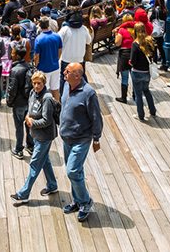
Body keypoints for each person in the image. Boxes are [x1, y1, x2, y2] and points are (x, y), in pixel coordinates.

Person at [59, 63, 103, 222]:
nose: (64, 72)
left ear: (77, 76)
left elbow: (96, 117)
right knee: (76, 171)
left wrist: (96, 137)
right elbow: (64, 106)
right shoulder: (65, 85)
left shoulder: (88, 93)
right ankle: (77, 201)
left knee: (72, 170)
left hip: (81, 139)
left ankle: (85, 202)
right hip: (66, 137)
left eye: (68, 71)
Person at [10, 71, 58, 204]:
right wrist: (27, 116)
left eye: (39, 83)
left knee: (35, 164)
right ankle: (52, 185)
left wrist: (32, 123)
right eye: (34, 83)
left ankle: (23, 194)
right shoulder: (32, 93)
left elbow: (47, 121)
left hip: (45, 136)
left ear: (44, 83)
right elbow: (30, 108)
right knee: (45, 160)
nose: (36, 86)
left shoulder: (47, 98)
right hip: (36, 134)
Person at [6, 45, 34, 159]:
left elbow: (12, 89)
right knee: (29, 125)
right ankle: (30, 146)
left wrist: (9, 101)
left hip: (19, 103)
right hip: (29, 101)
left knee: (19, 127)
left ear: (17, 55)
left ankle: (18, 149)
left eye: (12, 53)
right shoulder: (30, 67)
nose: (11, 55)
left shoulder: (15, 70)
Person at [128, 22, 158, 120]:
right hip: (146, 72)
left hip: (137, 72)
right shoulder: (149, 41)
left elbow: (133, 61)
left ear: (135, 31)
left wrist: (130, 62)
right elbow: (154, 55)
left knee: (138, 95)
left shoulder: (135, 44)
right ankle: (152, 111)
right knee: (146, 90)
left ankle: (140, 115)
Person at [58, 11, 92, 95]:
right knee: (81, 77)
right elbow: (89, 41)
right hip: (79, 60)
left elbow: (57, 40)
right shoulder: (84, 29)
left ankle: (62, 96)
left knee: (64, 78)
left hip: (66, 60)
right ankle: (85, 94)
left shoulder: (65, 29)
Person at [33, 17, 63, 100]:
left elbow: (36, 56)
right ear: (48, 25)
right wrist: (56, 59)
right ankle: (57, 108)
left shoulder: (38, 39)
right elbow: (60, 50)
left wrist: (36, 66)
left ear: (39, 26)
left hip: (43, 69)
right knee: (55, 89)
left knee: (42, 91)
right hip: (55, 67)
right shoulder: (57, 36)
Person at [113, 14, 135, 103]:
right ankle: (135, 95)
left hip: (124, 55)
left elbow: (117, 43)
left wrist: (115, 34)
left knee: (125, 77)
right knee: (134, 76)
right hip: (134, 54)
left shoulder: (122, 30)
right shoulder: (135, 30)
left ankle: (124, 97)